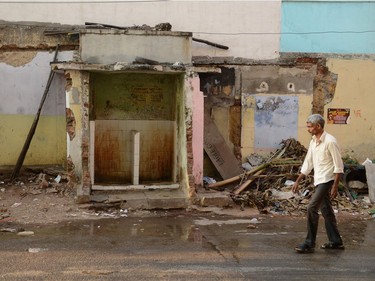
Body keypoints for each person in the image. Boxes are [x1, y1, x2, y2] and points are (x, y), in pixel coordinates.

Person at [292, 114, 345, 253]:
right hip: (318, 179)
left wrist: (335, 186)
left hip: (327, 180)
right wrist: (298, 180)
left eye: (310, 127)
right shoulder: (313, 141)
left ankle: (309, 243)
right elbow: (308, 161)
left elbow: (338, 166)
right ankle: (336, 241)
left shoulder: (330, 141)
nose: (308, 129)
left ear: (318, 126)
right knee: (326, 211)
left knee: (311, 208)